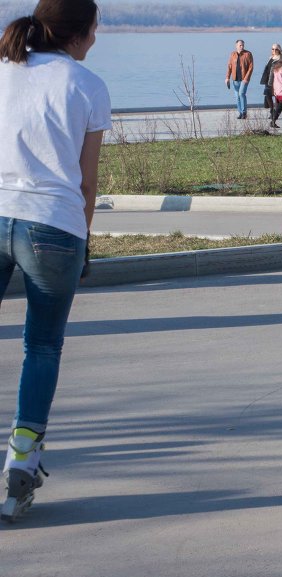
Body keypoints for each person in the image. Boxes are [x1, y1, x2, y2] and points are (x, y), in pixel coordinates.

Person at [0, 0, 110, 522]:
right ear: (78, 35)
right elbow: (87, 182)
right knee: (41, 346)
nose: (96, 39)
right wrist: (83, 240)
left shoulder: (3, 70)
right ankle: (23, 459)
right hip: (54, 225)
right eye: (94, 29)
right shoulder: (86, 86)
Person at [225, 39, 254, 119]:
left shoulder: (248, 54)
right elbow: (229, 67)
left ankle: (244, 112)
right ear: (236, 46)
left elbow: (251, 67)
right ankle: (240, 112)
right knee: (237, 96)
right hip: (235, 79)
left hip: (244, 79)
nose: (242, 47)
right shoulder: (233, 54)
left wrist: (246, 78)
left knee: (241, 94)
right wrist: (227, 77)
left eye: (243, 45)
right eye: (240, 45)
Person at [268, 51, 282, 127]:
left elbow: (274, 80)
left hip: (277, 90)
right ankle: (273, 121)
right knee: (280, 108)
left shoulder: (276, 67)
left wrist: (274, 90)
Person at [258, 43, 281, 112]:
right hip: (268, 79)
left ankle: (276, 110)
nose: (274, 50)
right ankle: (272, 109)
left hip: (275, 79)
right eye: (272, 49)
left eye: (276, 49)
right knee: (267, 94)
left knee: (276, 95)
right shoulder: (271, 58)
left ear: (279, 50)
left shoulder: (280, 58)